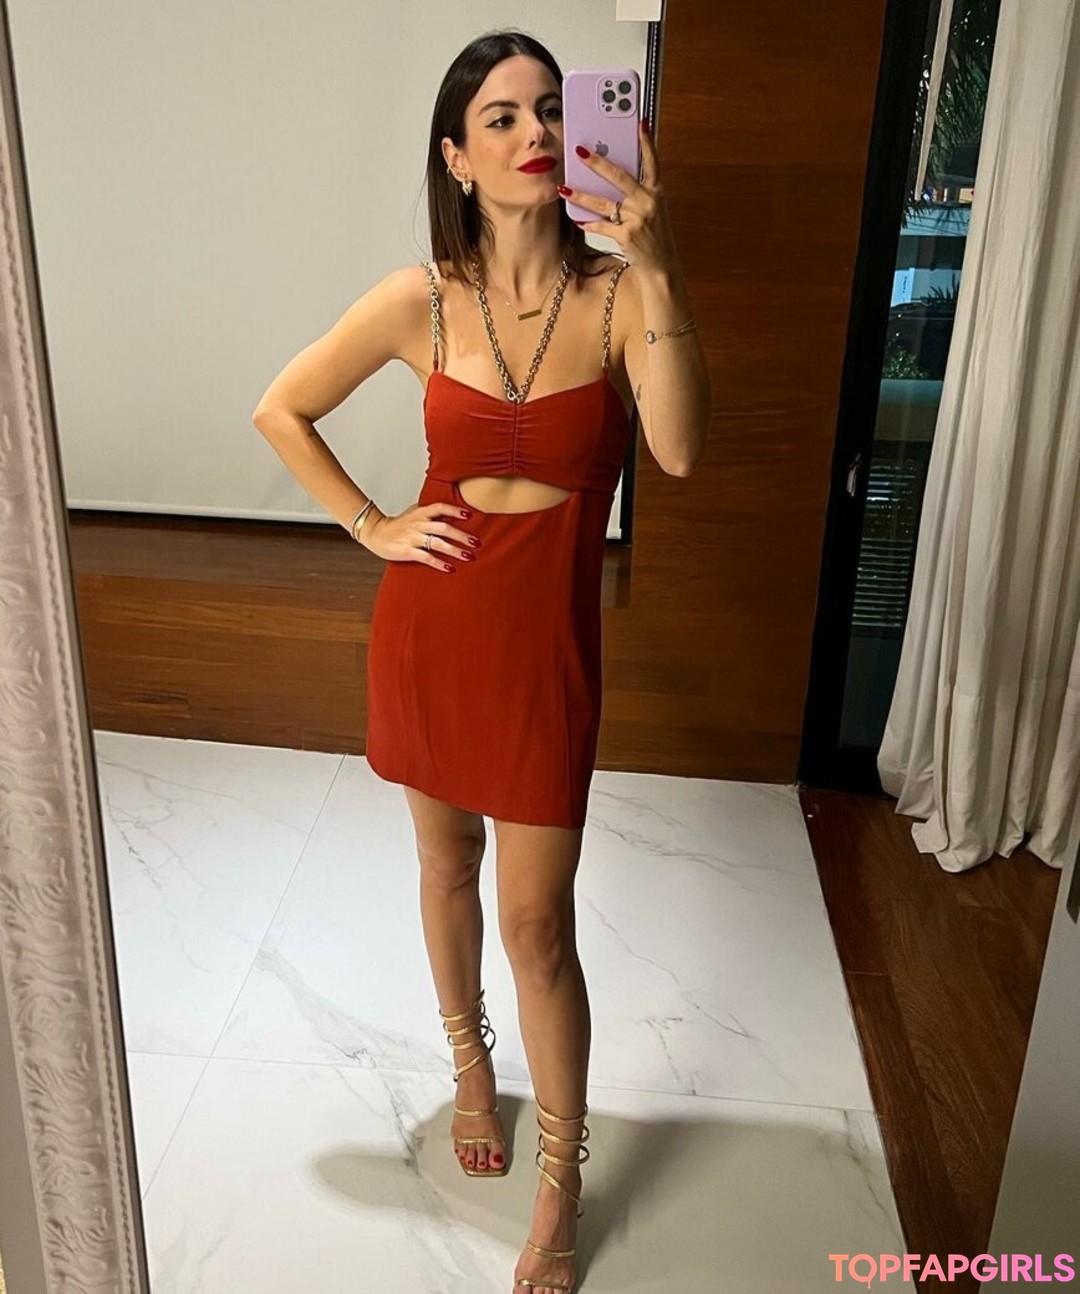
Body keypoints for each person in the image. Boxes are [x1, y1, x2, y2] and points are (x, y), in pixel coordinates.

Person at [252, 28, 709, 1294]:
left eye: (551, 109)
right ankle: (468, 1064)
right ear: (456, 157)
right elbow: (280, 407)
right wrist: (373, 525)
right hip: (432, 626)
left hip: (542, 646)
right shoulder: (421, 299)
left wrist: (662, 258)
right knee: (445, 864)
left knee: (538, 922)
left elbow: (678, 451)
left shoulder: (621, 294)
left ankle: (561, 1178)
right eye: (500, 117)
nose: (536, 133)